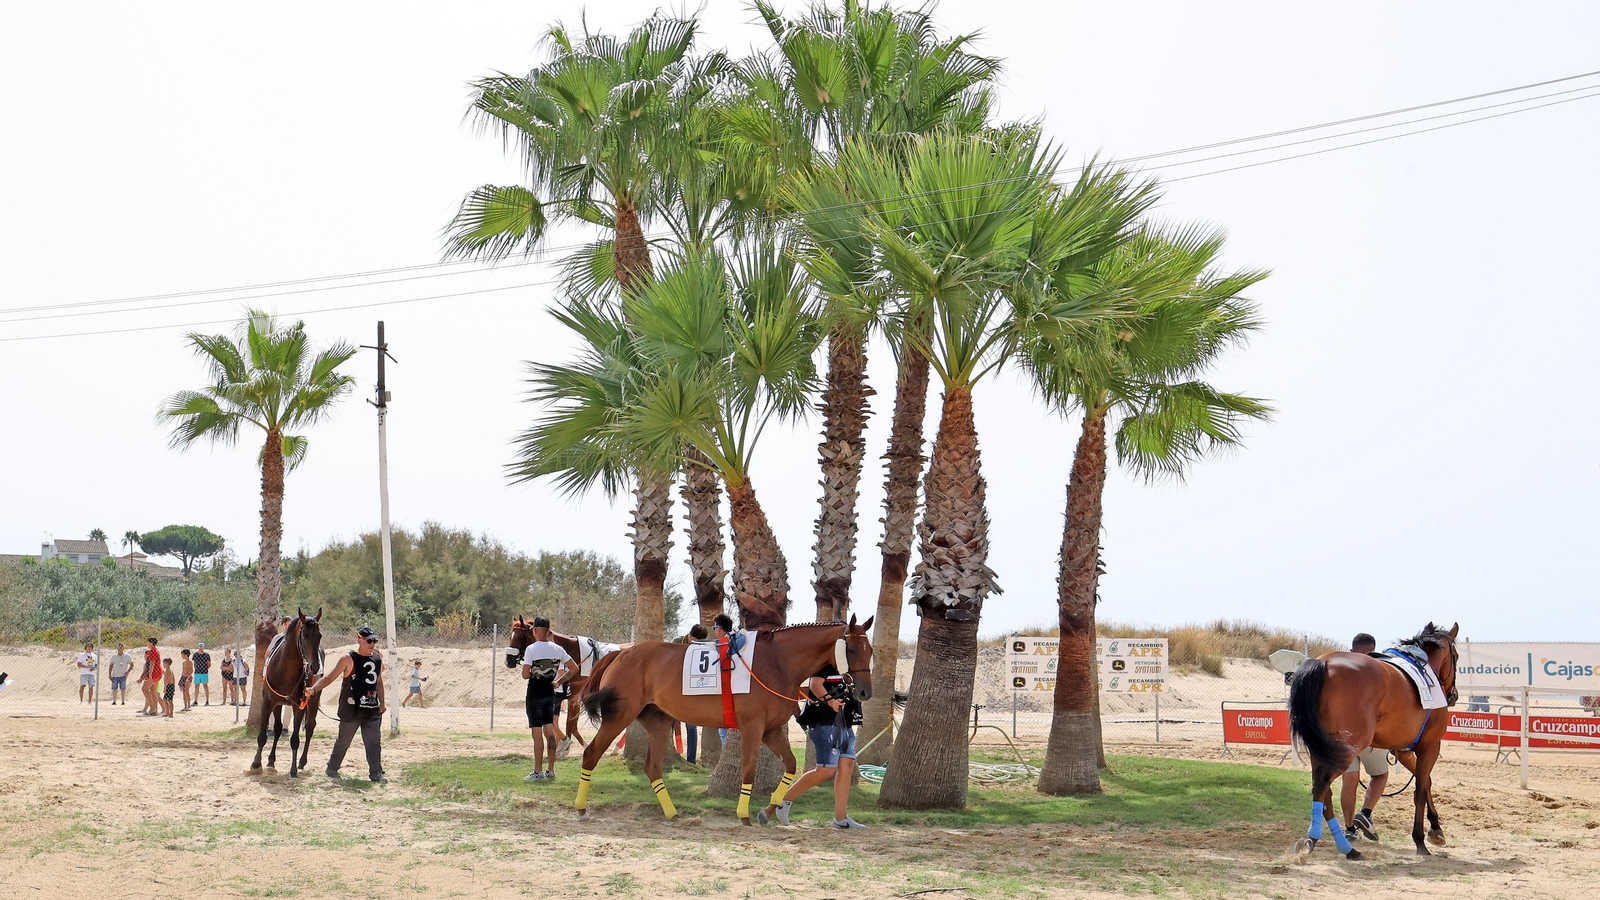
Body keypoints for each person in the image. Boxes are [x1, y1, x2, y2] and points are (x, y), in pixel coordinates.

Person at [765, 662, 866, 829]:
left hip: (845, 724)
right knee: (825, 771)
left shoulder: (852, 667)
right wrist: (831, 701)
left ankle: (841, 819)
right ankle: (784, 800)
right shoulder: (826, 665)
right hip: (824, 723)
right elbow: (814, 684)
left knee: (846, 766)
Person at [304, 625, 387, 783]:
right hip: (351, 710)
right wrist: (313, 689)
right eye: (369, 641)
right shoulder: (348, 659)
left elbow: (379, 682)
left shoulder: (377, 659)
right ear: (359, 640)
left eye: (374, 641)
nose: (372, 644)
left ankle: (376, 773)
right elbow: (330, 677)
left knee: (374, 743)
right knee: (343, 742)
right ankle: (332, 767)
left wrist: (382, 703)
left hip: (371, 710)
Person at [1341, 632, 1388, 842]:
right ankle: (1366, 813)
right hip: (1371, 736)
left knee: (1349, 782)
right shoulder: (1377, 671)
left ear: (1352, 650)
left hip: (1345, 735)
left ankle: (1349, 828)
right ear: (1372, 651)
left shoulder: (1342, 670)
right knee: (1379, 775)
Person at [520, 616, 578, 782]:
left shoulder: (531, 649)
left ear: (536, 631)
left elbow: (525, 675)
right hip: (550, 691)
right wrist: (558, 681)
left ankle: (537, 771)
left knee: (537, 733)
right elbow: (574, 668)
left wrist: (531, 670)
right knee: (549, 731)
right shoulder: (558, 649)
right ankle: (550, 770)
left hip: (535, 692)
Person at [138, 637, 163, 716]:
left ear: (151, 643)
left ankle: (152, 708)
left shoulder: (152, 651)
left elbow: (152, 664)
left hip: (153, 674)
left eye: (148, 642)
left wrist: (150, 676)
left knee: (144, 689)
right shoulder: (156, 651)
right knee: (153, 691)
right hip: (157, 674)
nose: (147, 644)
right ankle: (155, 711)